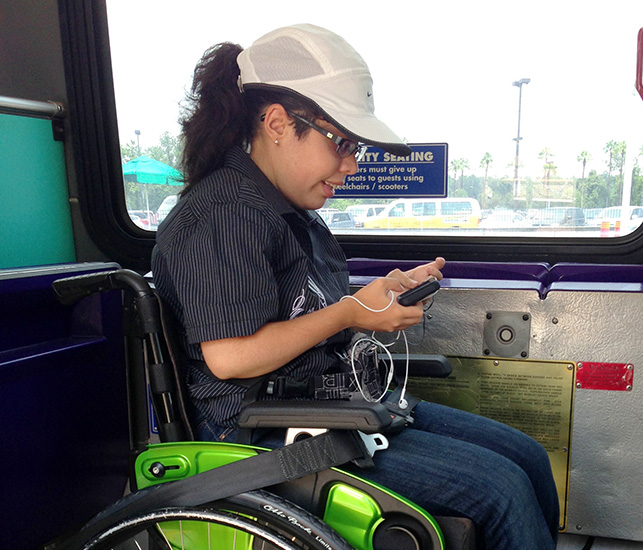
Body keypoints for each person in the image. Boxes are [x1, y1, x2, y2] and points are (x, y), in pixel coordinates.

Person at [152, 23, 559, 550]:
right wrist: (348, 314)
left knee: (526, 455)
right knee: (501, 489)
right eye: (340, 142)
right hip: (261, 432)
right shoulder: (224, 215)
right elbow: (231, 358)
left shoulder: (291, 210)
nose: (350, 165)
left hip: (331, 403)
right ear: (276, 122)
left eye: (356, 148)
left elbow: (306, 309)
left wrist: (383, 291)